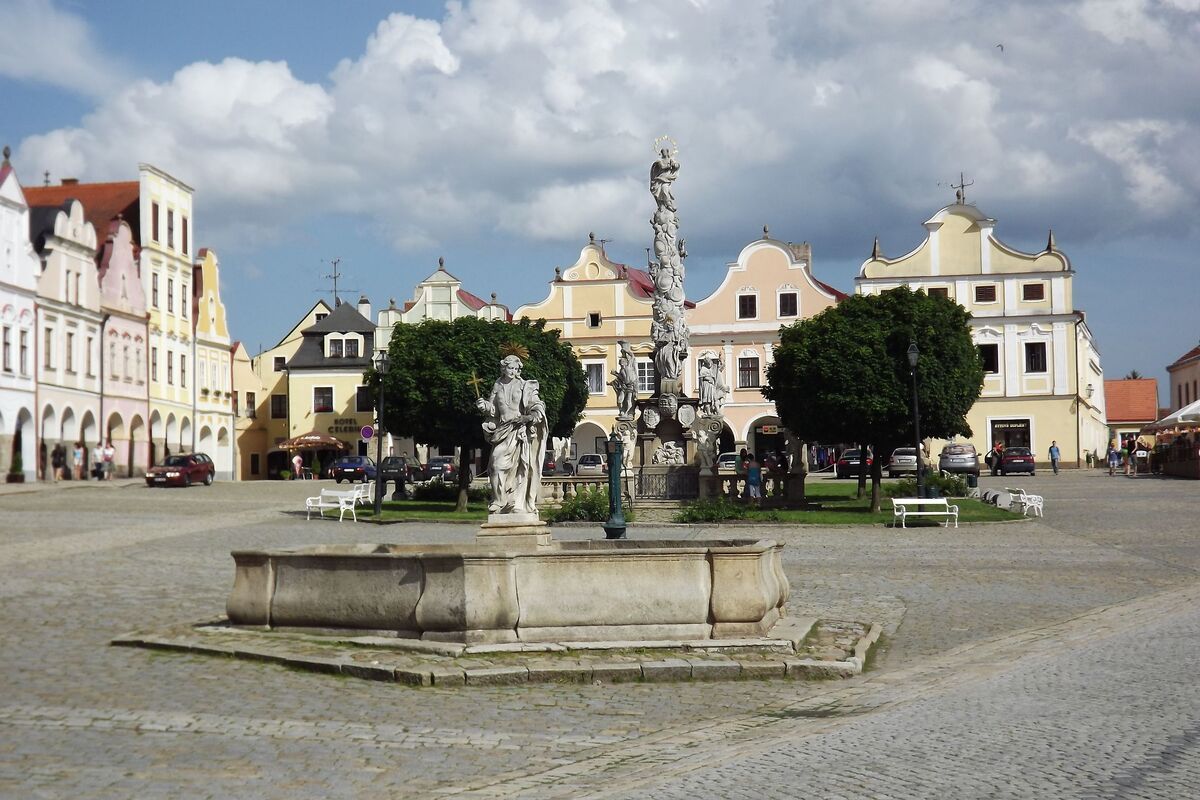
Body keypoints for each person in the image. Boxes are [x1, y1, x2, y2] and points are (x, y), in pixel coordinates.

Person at [476, 354, 549, 515]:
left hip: (518, 431)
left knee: (519, 468)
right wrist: (484, 406)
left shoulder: (525, 386)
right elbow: (494, 409)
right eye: (510, 368)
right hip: (502, 430)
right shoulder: (498, 385)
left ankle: (515, 502)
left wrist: (528, 417)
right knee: (495, 465)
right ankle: (499, 501)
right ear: (504, 368)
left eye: (516, 368)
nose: (513, 371)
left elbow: (537, 406)